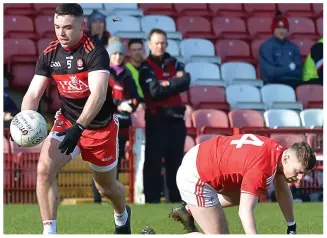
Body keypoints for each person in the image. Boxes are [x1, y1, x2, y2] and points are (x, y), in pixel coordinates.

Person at [18, 4, 131, 234]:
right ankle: (49, 232)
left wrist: (80, 127)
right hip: (67, 120)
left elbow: (98, 95)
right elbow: (32, 94)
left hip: (99, 127)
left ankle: (122, 214)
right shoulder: (49, 53)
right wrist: (26, 120)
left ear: (82, 26)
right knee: (44, 170)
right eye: (57, 27)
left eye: (68, 27)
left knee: (105, 188)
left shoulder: (95, 51)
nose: (61, 33)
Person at [148, 134, 316, 234]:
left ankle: (189, 210)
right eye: (298, 171)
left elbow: (282, 191)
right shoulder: (263, 168)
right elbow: (244, 212)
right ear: (287, 158)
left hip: (200, 155)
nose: (300, 178)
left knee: (252, 197)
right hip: (196, 176)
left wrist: (291, 227)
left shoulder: (278, 151)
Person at [139, 29, 191, 203]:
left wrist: (165, 84)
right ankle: (151, 201)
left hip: (176, 119)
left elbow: (186, 81)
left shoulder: (174, 63)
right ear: (149, 44)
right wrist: (173, 83)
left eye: (162, 43)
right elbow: (153, 91)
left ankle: (176, 201)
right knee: (153, 162)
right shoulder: (145, 66)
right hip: (156, 119)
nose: (160, 46)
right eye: (156, 43)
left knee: (175, 162)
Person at [259, 12, 303, 89]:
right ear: (273, 29)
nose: (282, 31)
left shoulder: (294, 47)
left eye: (284, 28)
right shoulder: (266, 47)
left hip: (293, 84)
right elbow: (269, 73)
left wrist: (279, 70)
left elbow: (298, 73)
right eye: (278, 28)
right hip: (273, 84)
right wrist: (289, 68)